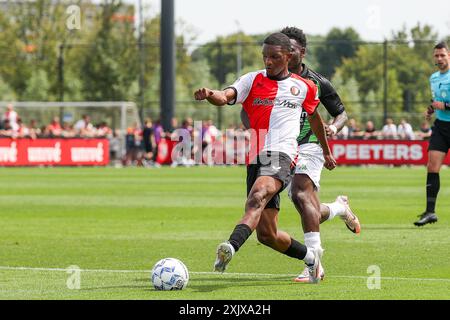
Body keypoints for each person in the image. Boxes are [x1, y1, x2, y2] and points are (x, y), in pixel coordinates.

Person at [194, 32, 336, 284]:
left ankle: (230, 246)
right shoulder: (251, 80)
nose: (268, 61)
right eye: (265, 56)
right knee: (267, 235)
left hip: (282, 154)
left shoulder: (304, 87)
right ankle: (312, 258)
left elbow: (316, 120)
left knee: (257, 196)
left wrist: (325, 151)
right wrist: (209, 93)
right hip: (256, 156)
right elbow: (225, 96)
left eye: (274, 57)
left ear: (288, 56)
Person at [273, 26, 361, 283]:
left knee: (301, 194)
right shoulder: (274, 79)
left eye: (291, 49)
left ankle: (314, 264)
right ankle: (340, 208)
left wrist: (333, 127)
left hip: (311, 144)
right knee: (308, 207)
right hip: (283, 146)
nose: (287, 54)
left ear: (302, 52)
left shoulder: (317, 82)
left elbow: (342, 113)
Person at [415, 41, 450, 226]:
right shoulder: (434, 78)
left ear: (449, 56)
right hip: (442, 127)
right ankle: (430, 212)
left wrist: (445, 106)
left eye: (442, 55)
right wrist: (430, 109)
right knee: (432, 166)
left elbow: (444, 103)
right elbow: (437, 100)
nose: (439, 58)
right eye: (436, 55)